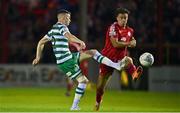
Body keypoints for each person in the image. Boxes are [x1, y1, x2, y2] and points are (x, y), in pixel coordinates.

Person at [32, 9, 131, 110]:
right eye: (68, 18)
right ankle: (74, 106)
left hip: (69, 57)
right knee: (83, 81)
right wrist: (80, 41)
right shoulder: (62, 27)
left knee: (93, 52)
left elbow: (40, 42)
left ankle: (116, 65)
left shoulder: (53, 29)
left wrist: (37, 57)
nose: (69, 20)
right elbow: (69, 37)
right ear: (62, 18)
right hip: (66, 61)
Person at [94, 8, 143, 111]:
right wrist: (129, 43)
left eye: (125, 17)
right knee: (100, 87)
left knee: (129, 60)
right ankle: (98, 102)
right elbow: (115, 44)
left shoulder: (130, 30)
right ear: (117, 18)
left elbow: (131, 41)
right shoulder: (113, 28)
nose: (123, 20)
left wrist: (133, 42)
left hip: (120, 60)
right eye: (121, 17)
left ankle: (134, 74)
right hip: (107, 59)